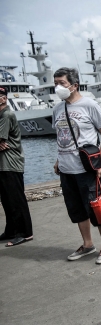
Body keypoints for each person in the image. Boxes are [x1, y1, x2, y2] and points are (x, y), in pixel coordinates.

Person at [52, 67, 101, 264]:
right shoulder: (57, 109)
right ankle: (88, 244)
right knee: (77, 209)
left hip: (87, 169)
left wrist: (100, 161)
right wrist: (58, 160)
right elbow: (63, 137)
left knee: (97, 208)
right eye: (55, 83)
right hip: (66, 169)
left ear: (74, 85)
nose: (57, 87)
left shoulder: (89, 105)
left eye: (61, 83)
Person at [0, 86, 33, 247]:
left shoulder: (6, 115)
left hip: (11, 163)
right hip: (3, 164)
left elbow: (1, 139)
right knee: (6, 200)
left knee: (16, 199)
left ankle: (25, 233)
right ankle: (11, 230)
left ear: (4, 98)